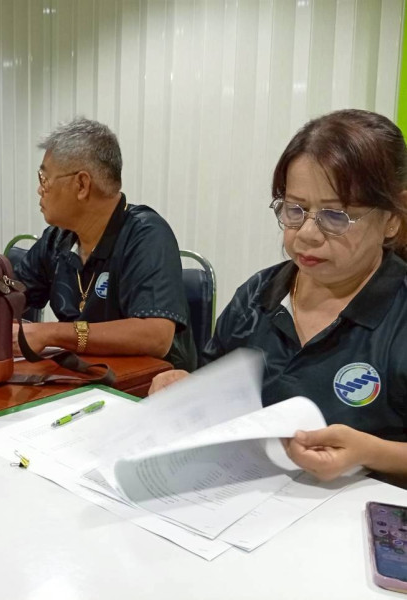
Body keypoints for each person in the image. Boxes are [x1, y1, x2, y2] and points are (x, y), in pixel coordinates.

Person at [150, 109, 407, 483]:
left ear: (392, 217)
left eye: (336, 216)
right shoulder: (257, 297)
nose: (307, 234)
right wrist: (184, 390)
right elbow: (216, 393)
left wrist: (372, 452)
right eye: (295, 209)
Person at [12, 117, 195, 371]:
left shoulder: (147, 234)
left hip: (145, 386)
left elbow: (156, 335)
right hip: (85, 378)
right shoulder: (57, 239)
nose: (40, 190)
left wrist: (51, 333)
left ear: (82, 185)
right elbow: (11, 295)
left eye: (45, 178)